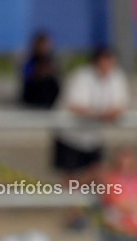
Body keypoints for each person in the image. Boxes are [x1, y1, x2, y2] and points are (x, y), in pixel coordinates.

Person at [53, 46, 128, 229]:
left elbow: (120, 106)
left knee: (98, 172)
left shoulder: (117, 78)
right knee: (70, 177)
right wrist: (101, 115)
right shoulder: (82, 76)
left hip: (92, 137)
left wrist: (106, 114)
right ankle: (73, 216)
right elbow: (75, 106)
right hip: (70, 135)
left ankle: (98, 214)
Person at [20, 31, 60, 108]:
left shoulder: (51, 60)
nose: (44, 48)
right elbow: (29, 76)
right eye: (41, 45)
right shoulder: (30, 61)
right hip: (33, 96)